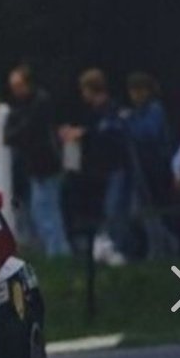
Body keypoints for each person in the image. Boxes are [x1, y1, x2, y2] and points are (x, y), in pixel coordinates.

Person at [59, 69, 132, 264]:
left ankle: (117, 248)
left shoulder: (112, 110)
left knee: (114, 208)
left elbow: (108, 133)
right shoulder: (92, 113)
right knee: (101, 209)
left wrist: (84, 134)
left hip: (115, 167)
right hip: (98, 170)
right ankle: (104, 246)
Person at [4, 65, 70, 256]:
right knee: (41, 208)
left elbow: (26, 130)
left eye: (18, 86)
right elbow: (10, 135)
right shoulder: (21, 106)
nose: (16, 91)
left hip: (46, 163)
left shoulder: (40, 102)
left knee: (46, 209)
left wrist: (17, 132)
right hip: (34, 165)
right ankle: (54, 249)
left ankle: (57, 250)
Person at [125, 72, 177, 256]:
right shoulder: (136, 112)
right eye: (132, 91)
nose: (135, 95)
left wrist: (128, 123)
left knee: (159, 210)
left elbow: (149, 133)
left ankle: (168, 247)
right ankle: (159, 248)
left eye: (138, 91)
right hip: (142, 169)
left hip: (157, 168)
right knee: (144, 211)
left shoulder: (155, 110)